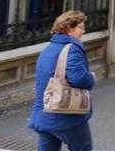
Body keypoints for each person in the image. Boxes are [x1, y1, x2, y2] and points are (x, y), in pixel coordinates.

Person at [28, 10, 96, 151]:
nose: (84, 31)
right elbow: (78, 78)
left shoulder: (48, 49)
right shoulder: (72, 49)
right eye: (81, 27)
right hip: (67, 115)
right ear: (69, 29)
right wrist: (91, 78)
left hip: (43, 113)